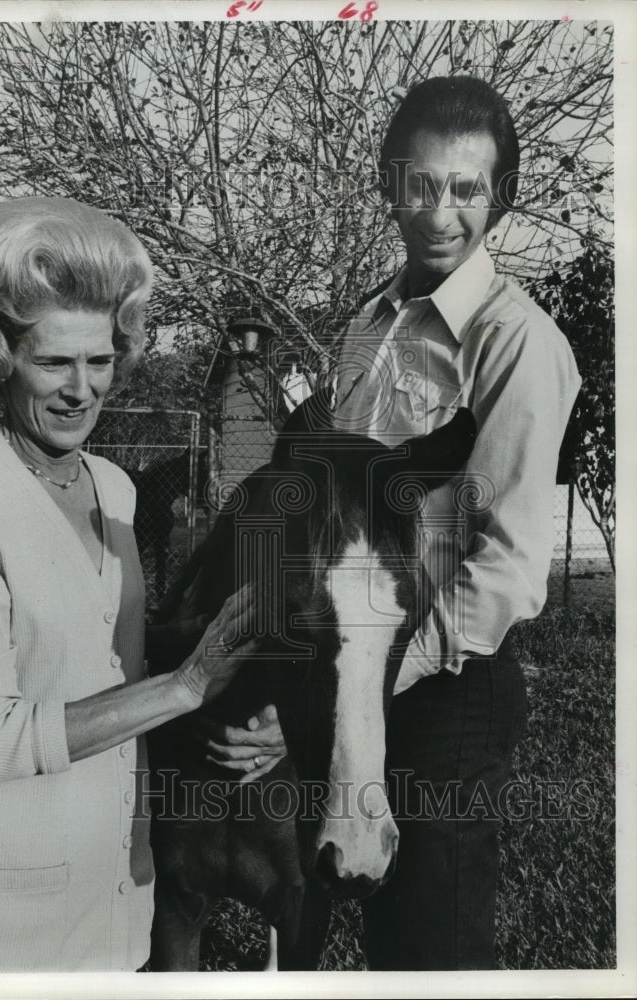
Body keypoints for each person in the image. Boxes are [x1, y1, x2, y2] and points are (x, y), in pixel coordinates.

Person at [0, 196, 256, 973]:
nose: (81, 389)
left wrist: (251, 714)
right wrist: (182, 689)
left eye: (100, 360)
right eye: (54, 361)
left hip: (113, 894)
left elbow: (108, 669)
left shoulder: (115, 489)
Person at [327, 76, 581, 969]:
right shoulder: (367, 324)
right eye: (421, 184)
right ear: (390, 183)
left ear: (499, 197)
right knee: (342, 899)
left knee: (428, 940)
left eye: (467, 189)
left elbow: (504, 568)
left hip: (444, 684)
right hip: (352, 661)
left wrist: (366, 682)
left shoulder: (516, 342)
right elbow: (336, 513)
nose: (440, 212)